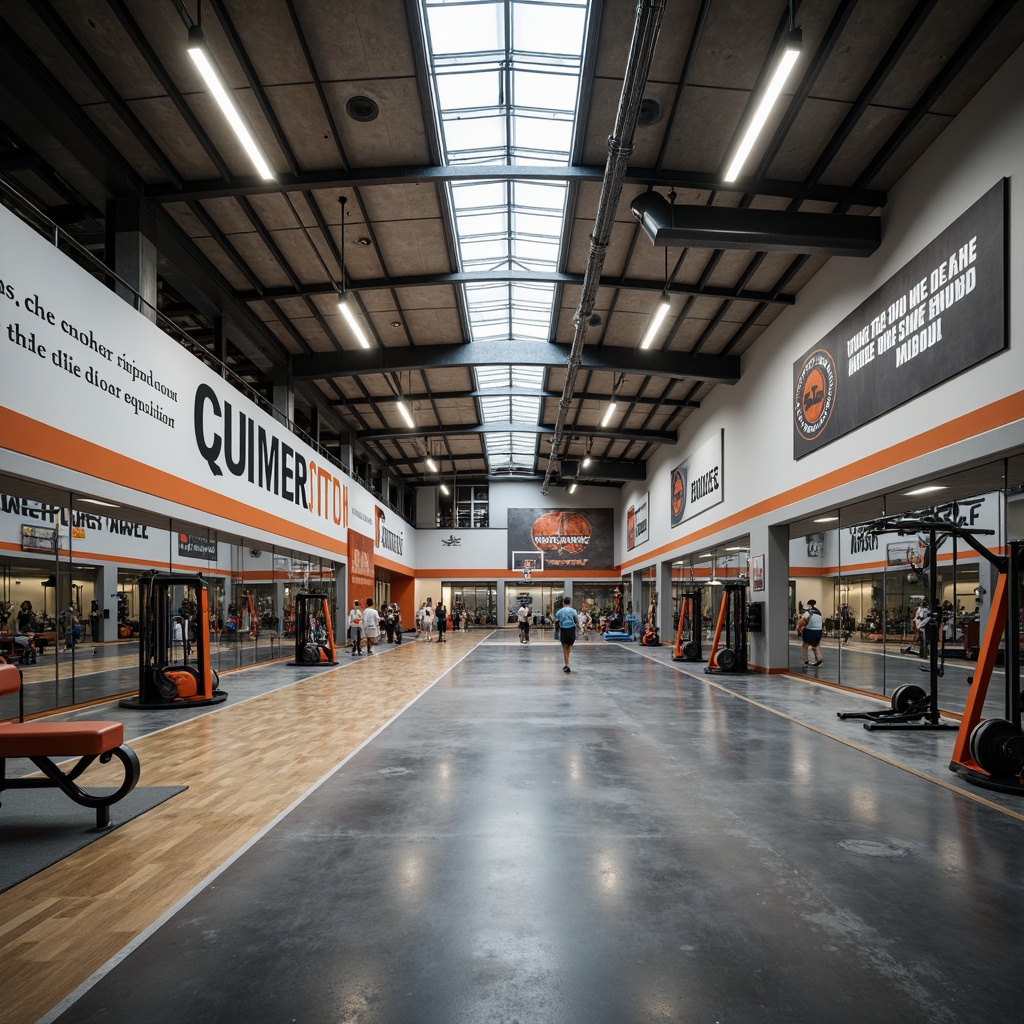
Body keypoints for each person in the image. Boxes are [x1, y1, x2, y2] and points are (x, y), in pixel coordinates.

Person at [554, 596, 580, 673]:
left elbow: (557, 621)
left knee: (564, 647)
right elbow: (576, 620)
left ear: (563, 603)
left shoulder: (559, 612)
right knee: (569, 647)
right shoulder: (574, 611)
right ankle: (567, 662)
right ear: (570, 603)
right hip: (571, 630)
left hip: (563, 630)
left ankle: (566, 664)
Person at [799, 599, 824, 666]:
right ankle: (819, 658)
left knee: (805, 645)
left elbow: (802, 622)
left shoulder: (808, 612)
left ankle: (805, 661)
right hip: (819, 632)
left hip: (809, 631)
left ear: (809, 605)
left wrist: (799, 628)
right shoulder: (819, 612)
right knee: (815, 645)